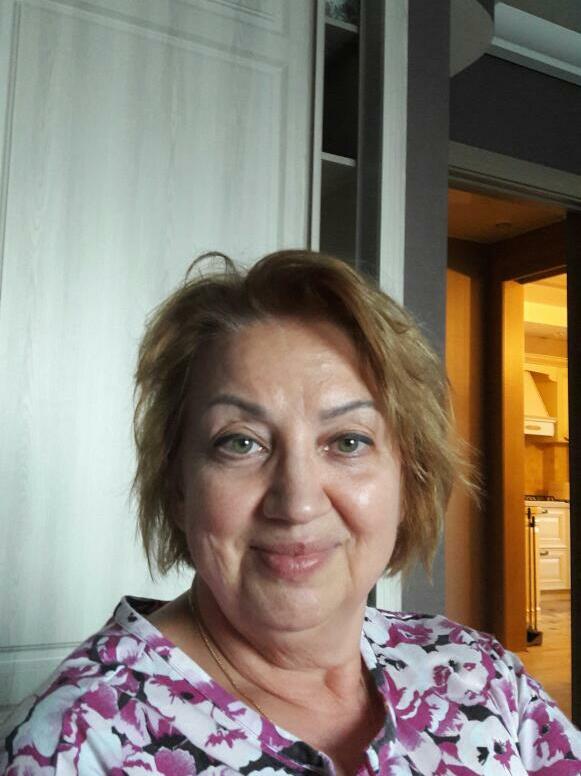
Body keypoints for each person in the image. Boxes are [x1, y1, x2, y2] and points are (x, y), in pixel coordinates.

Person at [1, 250, 579, 775]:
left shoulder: (479, 675)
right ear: (177, 485)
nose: (298, 503)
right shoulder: (75, 745)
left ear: (410, 477)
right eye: (241, 442)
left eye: (348, 441)